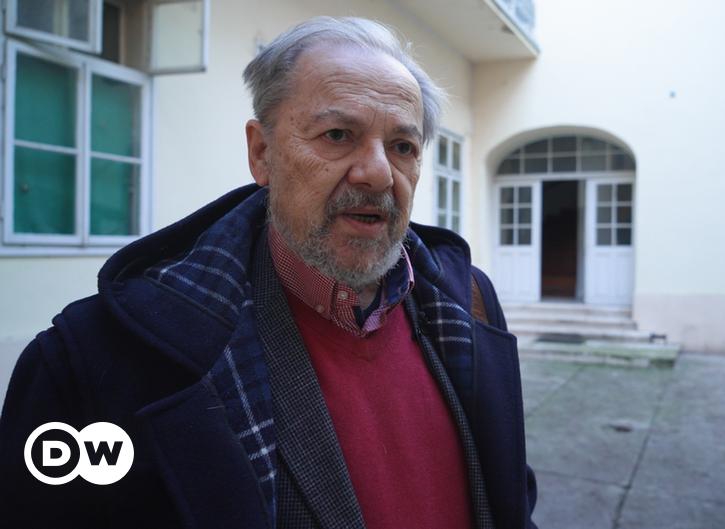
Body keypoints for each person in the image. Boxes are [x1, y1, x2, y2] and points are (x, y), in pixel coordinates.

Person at [0, 17, 537, 529]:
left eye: (402, 146)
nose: (377, 172)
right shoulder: (94, 361)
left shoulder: (468, 304)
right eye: (337, 135)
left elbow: (510, 493)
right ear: (262, 152)